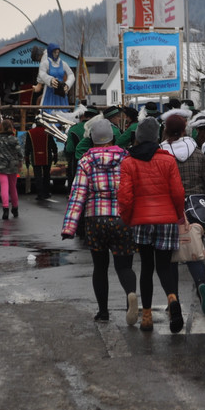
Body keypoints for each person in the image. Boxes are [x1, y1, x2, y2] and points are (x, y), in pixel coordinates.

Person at [60, 119, 138, 324]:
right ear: (112, 138)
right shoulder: (126, 159)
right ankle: (130, 295)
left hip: (95, 220)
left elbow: (78, 194)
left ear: (92, 139)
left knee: (100, 268)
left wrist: (69, 227)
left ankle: (103, 312)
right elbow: (135, 190)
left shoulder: (86, 161)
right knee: (124, 266)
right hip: (122, 218)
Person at [118, 117, 186, 333]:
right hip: (166, 219)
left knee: (146, 268)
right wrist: (177, 215)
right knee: (164, 267)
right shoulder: (168, 160)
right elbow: (178, 192)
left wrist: (127, 218)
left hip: (141, 220)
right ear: (157, 137)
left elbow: (125, 197)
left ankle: (146, 317)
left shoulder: (129, 162)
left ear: (138, 137)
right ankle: (172, 298)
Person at [160, 108, 205, 316]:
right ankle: (201, 284)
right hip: (195, 207)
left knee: (170, 256)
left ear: (166, 130)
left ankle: (173, 298)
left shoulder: (161, 154)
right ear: (185, 130)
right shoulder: (197, 153)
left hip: (169, 208)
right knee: (193, 251)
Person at [0, 119, 23, 220]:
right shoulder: (14, 139)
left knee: (4, 186)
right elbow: (19, 153)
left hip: (0, 165)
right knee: (13, 187)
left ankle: (5, 208)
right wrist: (20, 162)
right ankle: (15, 208)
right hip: (13, 165)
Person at [25, 117, 59, 202]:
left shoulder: (30, 132)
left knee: (38, 176)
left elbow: (27, 147)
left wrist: (26, 157)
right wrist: (55, 154)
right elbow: (53, 144)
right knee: (46, 176)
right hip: (47, 157)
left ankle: (40, 194)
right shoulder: (47, 131)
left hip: (35, 157)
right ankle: (46, 193)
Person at [38, 43, 74, 109]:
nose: (56, 54)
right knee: (48, 111)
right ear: (50, 52)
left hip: (61, 92)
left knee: (63, 111)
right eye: (55, 52)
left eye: (58, 52)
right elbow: (42, 73)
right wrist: (50, 80)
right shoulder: (45, 63)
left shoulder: (63, 63)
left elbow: (71, 74)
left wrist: (67, 84)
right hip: (49, 93)